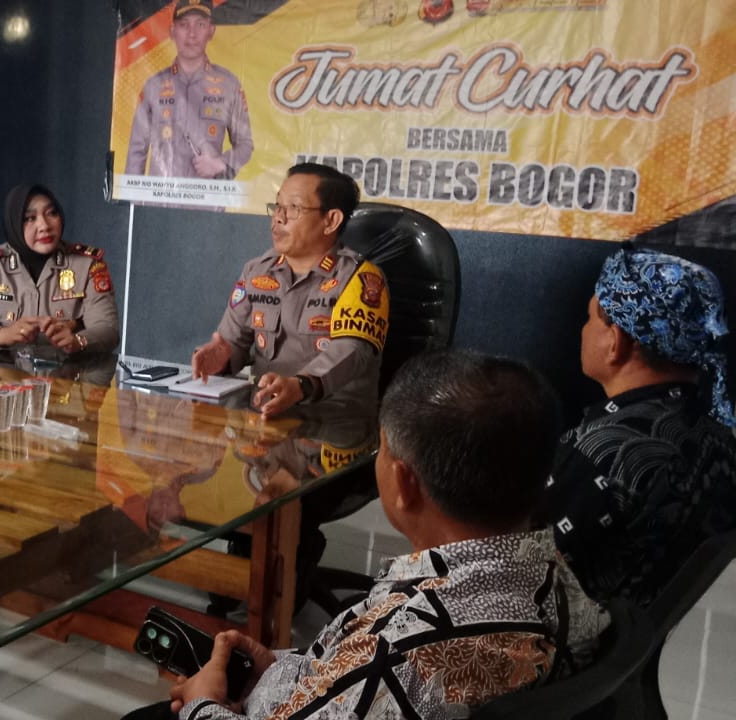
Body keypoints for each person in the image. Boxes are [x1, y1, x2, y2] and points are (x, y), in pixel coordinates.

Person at [134, 350, 607, 720]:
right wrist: (284, 666)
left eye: (382, 449)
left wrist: (203, 704)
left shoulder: (401, 655)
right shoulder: (557, 580)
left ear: (403, 483)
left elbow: (379, 673)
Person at [538, 246, 736, 607]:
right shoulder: (721, 440)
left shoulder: (600, 452)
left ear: (615, 342)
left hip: (584, 636)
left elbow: (523, 574)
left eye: (590, 318)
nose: (583, 330)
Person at [191, 163, 388, 417]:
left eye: (294, 208)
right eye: (277, 206)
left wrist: (301, 386)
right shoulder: (257, 271)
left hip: (332, 423)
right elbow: (232, 342)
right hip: (265, 415)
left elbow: (351, 351)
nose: (278, 217)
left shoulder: (361, 279)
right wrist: (222, 357)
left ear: (331, 221)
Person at [0, 184, 120, 360]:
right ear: (14, 222)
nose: (44, 226)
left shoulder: (88, 265)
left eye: (51, 213)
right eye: (29, 218)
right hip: (9, 374)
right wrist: (3, 334)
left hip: (70, 374)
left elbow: (108, 329)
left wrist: (78, 341)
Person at [123, 0, 254, 180]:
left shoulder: (229, 85)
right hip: (161, 195)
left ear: (211, 31)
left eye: (200, 24)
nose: (192, 34)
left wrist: (221, 163)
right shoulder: (153, 86)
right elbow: (136, 151)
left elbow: (245, 144)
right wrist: (132, 195)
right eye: (184, 25)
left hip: (207, 195)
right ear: (172, 32)